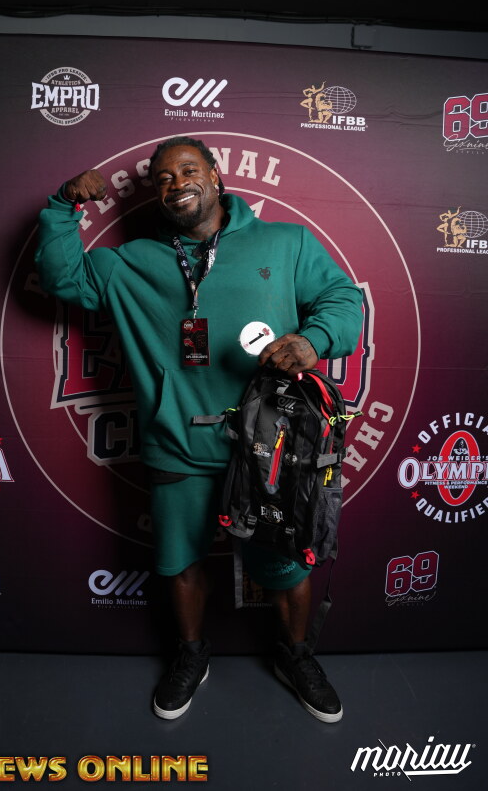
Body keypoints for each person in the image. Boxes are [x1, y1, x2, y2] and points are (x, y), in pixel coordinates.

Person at [35, 136, 363, 723]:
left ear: (215, 175)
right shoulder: (130, 262)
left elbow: (342, 299)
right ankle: (191, 654)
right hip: (178, 441)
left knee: (287, 566)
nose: (176, 183)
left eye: (188, 170)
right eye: (163, 177)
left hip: (270, 447)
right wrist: (64, 205)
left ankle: (296, 656)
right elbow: (63, 279)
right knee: (180, 563)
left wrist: (314, 340)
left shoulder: (285, 242)